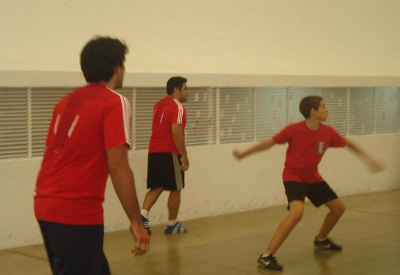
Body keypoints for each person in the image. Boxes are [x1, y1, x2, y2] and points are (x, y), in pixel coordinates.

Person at [34, 36, 150, 275]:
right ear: (117, 68)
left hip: (46, 206)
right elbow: (118, 166)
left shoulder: (65, 103)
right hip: (75, 212)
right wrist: (136, 222)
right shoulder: (113, 102)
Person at [233, 96, 383, 271]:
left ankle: (321, 240)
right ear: (313, 111)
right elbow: (269, 143)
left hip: (314, 178)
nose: (326, 110)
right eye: (323, 107)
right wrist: (245, 153)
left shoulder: (328, 132)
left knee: (339, 208)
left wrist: (368, 159)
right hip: (293, 177)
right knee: (297, 213)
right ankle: (266, 256)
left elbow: (348, 143)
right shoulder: (293, 130)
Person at [140, 76, 190, 235]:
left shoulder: (158, 104)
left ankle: (142, 216)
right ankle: (172, 224)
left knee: (158, 186)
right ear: (176, 90)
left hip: (154, 151)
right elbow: (176, 131)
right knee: (176, 188)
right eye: (185, 89)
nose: (187, 92)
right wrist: (184, 155)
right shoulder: (178, 107)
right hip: (170, 152)